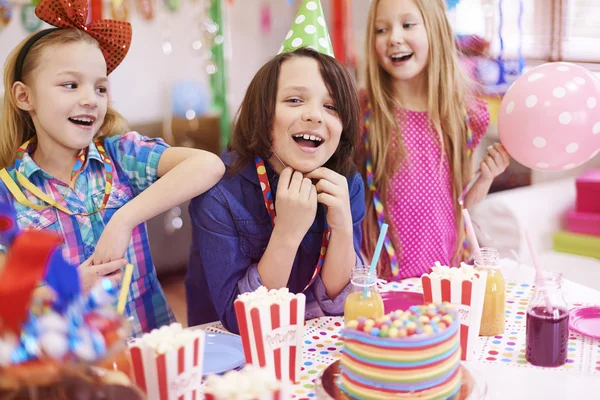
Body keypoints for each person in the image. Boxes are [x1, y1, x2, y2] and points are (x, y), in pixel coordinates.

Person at [0, 0, 225, 337]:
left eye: (100, 87)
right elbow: (9, 303)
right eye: (70, 85)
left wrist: (124, 219)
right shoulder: (7, 193)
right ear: (24, 96)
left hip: (152, 347)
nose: (91, 99)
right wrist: (72, 286)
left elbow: (208, 165)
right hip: (74, 368)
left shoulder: (120, 154)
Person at [186, 1, 365, 332]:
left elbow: (340, 303)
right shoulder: (219, 194)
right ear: (264, 115)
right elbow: (241, 321)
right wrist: (287, 232)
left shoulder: (347, 185)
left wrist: (341, 227)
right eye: (295, 100)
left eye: (331, 106)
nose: (314, 115)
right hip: (232, 358)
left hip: (307, 345)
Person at [358, 0, 510, 281]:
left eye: (407, 25)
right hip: (383, 277)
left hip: (447, 272)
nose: (394, 38)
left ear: (435, 30)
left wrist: (486, 178)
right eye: (381, 29)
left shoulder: (464, 115)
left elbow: (460, 201)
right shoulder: (364, 112)